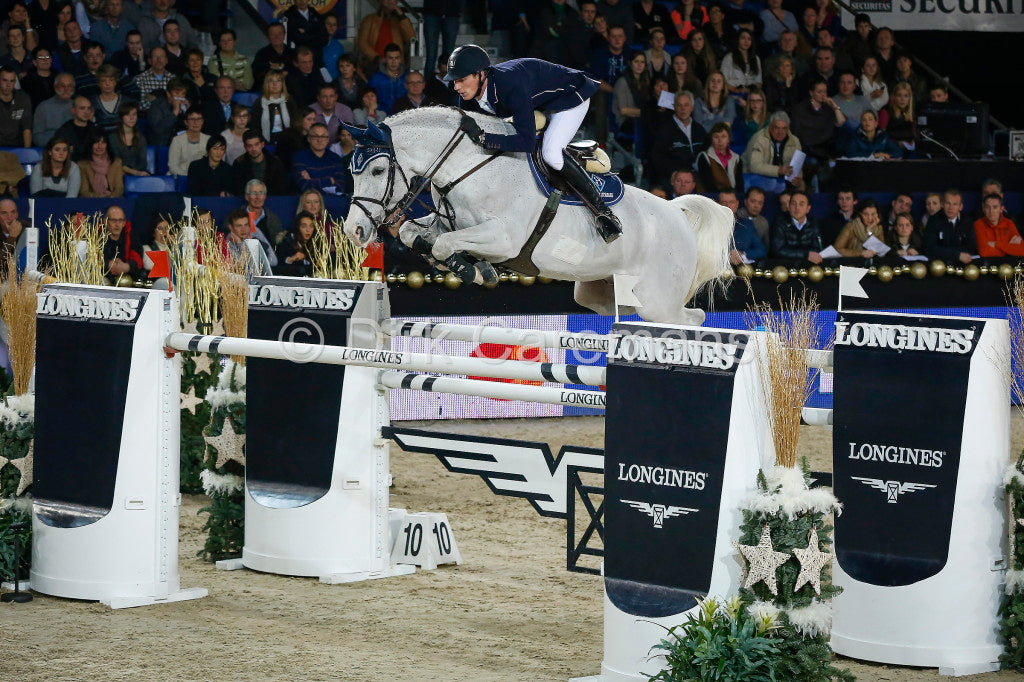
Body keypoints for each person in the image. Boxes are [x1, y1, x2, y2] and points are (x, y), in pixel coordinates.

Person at [448, 44, 620, 242]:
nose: (456, 87)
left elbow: (526, 142)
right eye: (454, 81)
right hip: (539, 102)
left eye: (461, 80)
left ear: (480, 74)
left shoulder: (510, 85)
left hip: (568, 99)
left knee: (551, 153)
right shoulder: (468, 96)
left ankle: (604, 213)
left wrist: (484, 139)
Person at [649, 90, 708, 192]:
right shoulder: (664, 129)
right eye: (679, 105)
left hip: (696, 175)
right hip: (674, 175)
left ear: (692, 108)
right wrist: (673, 173)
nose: (683, 109)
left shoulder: (700, 130)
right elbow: (658, 158)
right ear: (674, 107)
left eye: (686, 105)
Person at [742, 110, 803, 193]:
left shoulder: (795, 141)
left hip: (782, 179)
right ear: (770, 127)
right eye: (777, 128)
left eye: (784, 128)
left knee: (801, 185)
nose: (780, 132)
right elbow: (755, 166)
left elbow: (797, 166)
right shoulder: (759, 139)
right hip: (755, 177)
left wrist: (797, 178)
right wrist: (779, 170)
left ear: (788, 128)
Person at [356, 0, 414, 74]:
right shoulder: (369, 19)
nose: (391, 2)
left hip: (395, 65)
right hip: (374, 64)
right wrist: (377, 58)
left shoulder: (399, 22)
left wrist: (401, 14)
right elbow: (362, 43)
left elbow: (411, 38)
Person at [924, 189, 976, 265]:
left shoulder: (967, 221)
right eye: (948, 203)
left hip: (962, 264)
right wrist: (957, 255)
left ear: (961, 207)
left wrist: (944, 251)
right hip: (939, 264)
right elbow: (929, 248)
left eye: (955, 204)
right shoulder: (933, 220)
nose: (950, 208)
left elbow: (971, 248)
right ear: (942, 204)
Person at [291, 122, 346, 194]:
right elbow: (304, 186)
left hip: (331, 201)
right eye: (315, 136)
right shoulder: (299, 157)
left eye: (323, 136)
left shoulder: (335, 158)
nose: (319, 140)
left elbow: (340, 187)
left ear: (328, 140)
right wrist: (329, 181)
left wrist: (312, 181)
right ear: (309, 139)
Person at [770, 190, 823, 262]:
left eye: (801, 204)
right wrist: (805, 255)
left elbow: (818, 248)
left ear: (808, 208)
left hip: (808, 264)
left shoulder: (813, 223)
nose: (797, 208)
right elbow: (778, 251)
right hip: (786, 265)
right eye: (793, 204)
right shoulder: (779, 222)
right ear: (789, 206)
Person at [250, 70, 299, 146]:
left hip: (287, 139)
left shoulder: (289, 100)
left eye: (278, 81)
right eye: (271, 81)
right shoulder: (259, 102)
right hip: (265, 141)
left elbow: (295, 122)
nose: (275, 84)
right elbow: (254, 126)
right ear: (267, 84)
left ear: (282, 84)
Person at [611, 50, 651, 142]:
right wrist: (648, 113)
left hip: (640, 118)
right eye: (636, 61)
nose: (639, 65)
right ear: (630, 63)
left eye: (642, 62)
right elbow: (623, 111)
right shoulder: (622, 82)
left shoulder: (645, 80)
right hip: (625, 121)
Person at [719, 188, 766, 264]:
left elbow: (761, 251)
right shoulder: (710, 226)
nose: (727, 206)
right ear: (718, 204)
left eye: (731, 202)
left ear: (737, 204)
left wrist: (742, 254)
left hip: (743, 270)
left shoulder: (747, 225)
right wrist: (726, 256)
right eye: (724, 202)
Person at [234, 130, 287, 195]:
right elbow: (239, 190)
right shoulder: (239, 163)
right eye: (250, 146)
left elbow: (281, 189)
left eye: (256, 144)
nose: (254, 149)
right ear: (245, 147)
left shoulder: (275, 162)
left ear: (262, 144)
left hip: (272, 200)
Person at [102, 204, 143, 285]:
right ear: (105, 221)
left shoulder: (131, 235)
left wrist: (127, 267)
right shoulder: (97, 235)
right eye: (113, 220)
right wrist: (107, 265)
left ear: (124, 223)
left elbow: (138, 260)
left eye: (120, 220)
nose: (117, 224)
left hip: (127, 278)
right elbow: (91, 260)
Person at [697, 121, 743, 192]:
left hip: (732, 197)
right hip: (712, 197)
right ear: (711, 139)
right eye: (716, 137)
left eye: (723, 136)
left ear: (728, 139)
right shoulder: (704, 156)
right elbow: (708, 185)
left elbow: (739, 184)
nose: (720, 140)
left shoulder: (736, 158)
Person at [975, 193, 1024, 258]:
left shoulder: (1009, 223)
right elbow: (984, 252)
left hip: (1009, 265)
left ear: (1001, 209)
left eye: (995, 207)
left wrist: (996, 244)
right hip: (988, 265)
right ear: (983, 209)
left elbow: (1022, 250)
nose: (991, 211)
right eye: (987, 207)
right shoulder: (978, 224)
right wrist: (1009, 246)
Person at [32, 71, 74, 146]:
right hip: (49, 150)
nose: (66, 89)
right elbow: (36, 136)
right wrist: (54, 146)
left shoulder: (79, 107)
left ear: (73, 88)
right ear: (55, 87)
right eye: (62, 85)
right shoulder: (43, 107)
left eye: (69, 86)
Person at [148, 77, 191, 146]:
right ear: (168, 93)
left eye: (183, 94)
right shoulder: (157, 105)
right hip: (163, 144)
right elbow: (158, 130)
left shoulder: (186, 105)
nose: (180, 96)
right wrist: (175, 112)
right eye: (176, 93)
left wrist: (189, 112)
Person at [109, 101, 149, 176]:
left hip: (138, 174)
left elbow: (143, 163)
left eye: (134, 114)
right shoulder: (113, 137)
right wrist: (135, 172)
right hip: (118, 173)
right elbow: (116, 161)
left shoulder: (141, 137)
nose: (131, 118)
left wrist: (137, 173)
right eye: (127, 115)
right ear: (121, 117)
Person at [367, 42, 408, 114]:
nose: (394, 61)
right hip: (381, 116)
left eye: (397, 58)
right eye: (390, 58)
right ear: (385, 59)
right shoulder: (376, 78)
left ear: (401, 59)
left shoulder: (407, 77)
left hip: (403, 116)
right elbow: (369, 99)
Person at [54, 95, 99, 160]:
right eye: (82, 108)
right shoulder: (63, 132)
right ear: (73, 110)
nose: (86, 112)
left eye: (88, 108)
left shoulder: (96, 129)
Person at [168, 105, 209, 175]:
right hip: (180, 177)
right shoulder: (177, 140)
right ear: (186, 122)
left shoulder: (209, 139)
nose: (196, 122)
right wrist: (190, 176)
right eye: (192, 119)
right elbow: (173, 167)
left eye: (199, 119)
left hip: (202, 178)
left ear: (202, 121)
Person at [719, 29, 761, 96]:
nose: (746, 41)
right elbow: (722, 80)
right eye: (743, 38)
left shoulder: (756, 59)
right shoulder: (729, 57)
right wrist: (736, 90)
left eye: (749, 39)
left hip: (751, 93)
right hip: (733, 92)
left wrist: (750, 90)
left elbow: (759, 82)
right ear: (738, 40)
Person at [89, 64, 129, 134]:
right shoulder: (92, 103)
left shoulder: (126, 101)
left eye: (111, 80)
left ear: (115, 82)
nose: (107, 84)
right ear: (98, 83)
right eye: (103, 81)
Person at [275, 210, 316, 276]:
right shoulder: (287, 241)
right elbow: (277, 263)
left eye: (311, 226)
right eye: (304, 226)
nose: (308, 230)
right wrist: (291, 259)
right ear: (298, 227)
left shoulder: (317, 243)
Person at [878, 80, 915, 153]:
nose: (902, 99)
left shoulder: (912, 114)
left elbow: (915, 135)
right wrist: (897, 143)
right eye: (899, 95)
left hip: (909, 150)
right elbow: (880, 137)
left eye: (906, 96)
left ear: (909, 99)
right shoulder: (886, 112)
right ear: (894, 97)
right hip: (891, 149)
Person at [244, 178, 284, 245]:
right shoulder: (234, 218)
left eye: (261, 193)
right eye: (254, 193)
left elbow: (278, 245)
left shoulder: (273, 220)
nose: (258, 197)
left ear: (265, 196)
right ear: (247, 197)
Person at [274, 106, 316, 171]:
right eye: (309, 119)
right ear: (300, 120)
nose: (313, 122)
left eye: (314, 119)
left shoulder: (313, 136)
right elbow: (286, 160)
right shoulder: (287, 136)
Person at [252, 23, 293, 88]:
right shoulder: (262, 54)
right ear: (268, 36)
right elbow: (256, 75)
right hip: (269, 91)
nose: (276, 37)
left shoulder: (293, 53)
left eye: (279, 34)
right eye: (273, 34)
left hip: (290, 91)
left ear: (284, 34)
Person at [0, 65, 31, 147]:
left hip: (17, 146)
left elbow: (27, 129)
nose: (8, 84)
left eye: (12, 81)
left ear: (15, 82)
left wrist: (27, 153)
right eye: (5, 80)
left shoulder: (23, 99)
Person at [134, 46, 172, 111]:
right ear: (149, 61)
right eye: (155, 57)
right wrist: (166, 100)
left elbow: (177, 102)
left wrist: (154, 99)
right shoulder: (140, 79)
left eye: (161, 57)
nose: (159, 60)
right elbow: (141, 105)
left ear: (166, 60)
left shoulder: (173, 78)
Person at [731, 84, 767, 153]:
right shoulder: (741, 120)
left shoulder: (770, 119)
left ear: (763, 102)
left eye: (758, 101)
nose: (755, 104)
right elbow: (737, 140)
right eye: (752, 101)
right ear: (748, 102)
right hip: (746, 151)